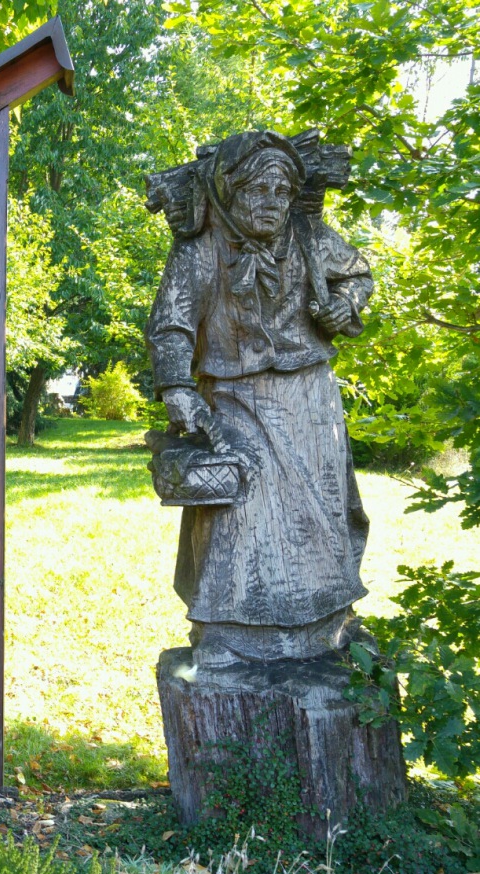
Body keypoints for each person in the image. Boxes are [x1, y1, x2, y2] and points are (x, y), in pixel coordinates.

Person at [146, 130, 373, 667]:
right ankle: (226, 634)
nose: (271, 203)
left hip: (311, 400)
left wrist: (345, 304)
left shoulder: (309, 236)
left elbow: (358, 274)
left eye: (281, 192)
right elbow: (171, 325)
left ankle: (325, 625)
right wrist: (178, 387)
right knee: (238, 517)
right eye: (257, 190)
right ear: (228, 189)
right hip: (233, 399)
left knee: (319, 515)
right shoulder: (200, 248)